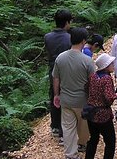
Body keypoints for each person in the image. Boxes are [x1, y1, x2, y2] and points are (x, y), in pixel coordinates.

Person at [53, 27, 96, 159]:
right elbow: (92, 82)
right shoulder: (87, 60)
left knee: (68, 128)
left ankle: (70, 154)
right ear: (83, 41)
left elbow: (56, 78)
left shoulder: (60, 58)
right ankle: (81, 144)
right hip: (82, 100)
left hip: (66, 99)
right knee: (83, 127)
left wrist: (56, 95)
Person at [85, 53, 117, 159]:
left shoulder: (93, 76)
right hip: (102, 115)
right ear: (106, 66)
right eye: (111, 63)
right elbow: (109, 98)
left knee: (93, 139)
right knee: (110, 142)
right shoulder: (106, 79)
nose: (113, 65)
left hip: (90, 113)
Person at [44, 9, 73, 138]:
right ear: (67, 22)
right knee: (66, 97)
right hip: (67, 70)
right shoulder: (70, 37)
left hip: (52, 70)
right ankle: (65, 128)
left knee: (54, 96)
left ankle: (55, 126)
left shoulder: (47, 37)